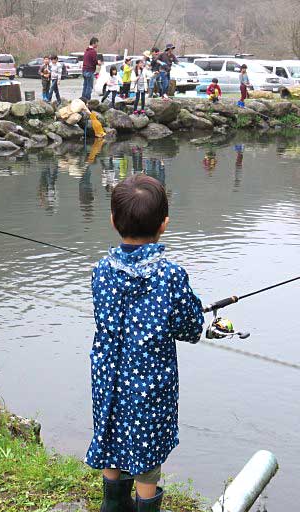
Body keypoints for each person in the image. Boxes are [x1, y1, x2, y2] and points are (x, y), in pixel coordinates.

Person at [85, 174, 204, 512]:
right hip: (150, 385)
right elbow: (191, 328)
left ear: (112, 220)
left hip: (108, 379)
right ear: (164, 224)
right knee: (147, 462)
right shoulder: (171, 275)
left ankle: (112, 505)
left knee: (110, 439)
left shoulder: (100, 270)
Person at [81, 37, 99, 101]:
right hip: (90, 70)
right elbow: (94, 61)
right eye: (97, 43)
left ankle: (83, 99)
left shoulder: (86, 50)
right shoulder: (93, 51)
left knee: (85, 86)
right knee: (89, 87)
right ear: (93, 43)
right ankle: (87, 100)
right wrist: (98, 63)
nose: (97, 45)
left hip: (84, 70)